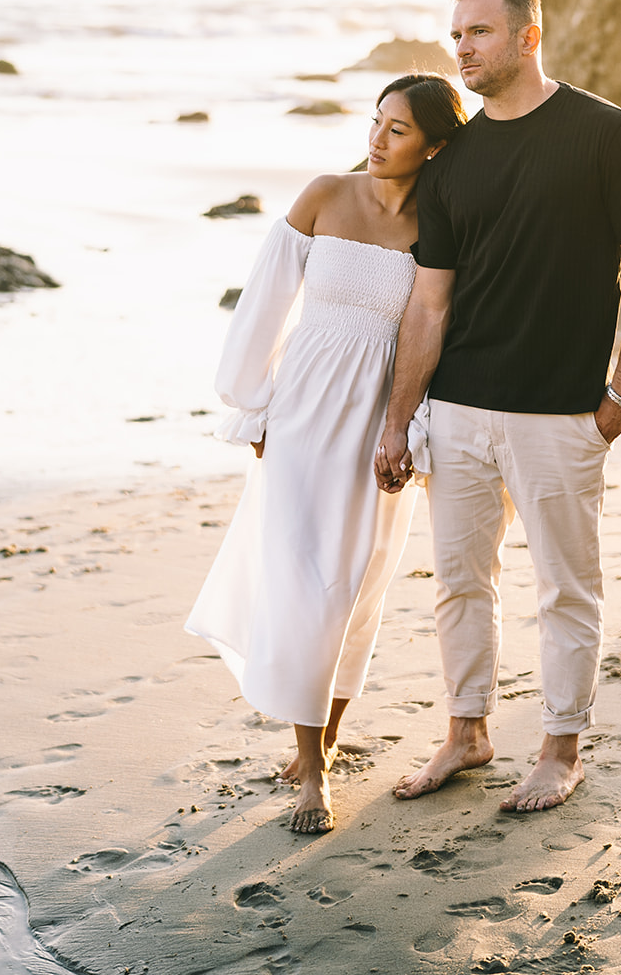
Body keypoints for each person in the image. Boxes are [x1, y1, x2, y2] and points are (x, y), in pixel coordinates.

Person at [375, 0, 621, 813]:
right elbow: (428, 302)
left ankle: (558, 748)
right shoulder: (451, 163)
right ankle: (466, 733)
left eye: (477, 33)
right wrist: (399, 421)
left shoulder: (605, 133)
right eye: (456, 34)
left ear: (525, 37)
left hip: (562, 412)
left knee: (564, 589)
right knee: (459, 583)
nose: (461, 48)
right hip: (460, 409)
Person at [186, 73, 467, 835]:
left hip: (383, 419)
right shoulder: (321, 195)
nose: (375, 140)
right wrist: (252, 406)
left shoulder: (442, 225)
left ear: (435, 146)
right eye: (374, 122)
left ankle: (329, 733)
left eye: (398, 130)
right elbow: (264, 303)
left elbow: (438, 331)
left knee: (358, 586)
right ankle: (310, 768)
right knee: (305, 581)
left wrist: (413, 428)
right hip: (304, 414)